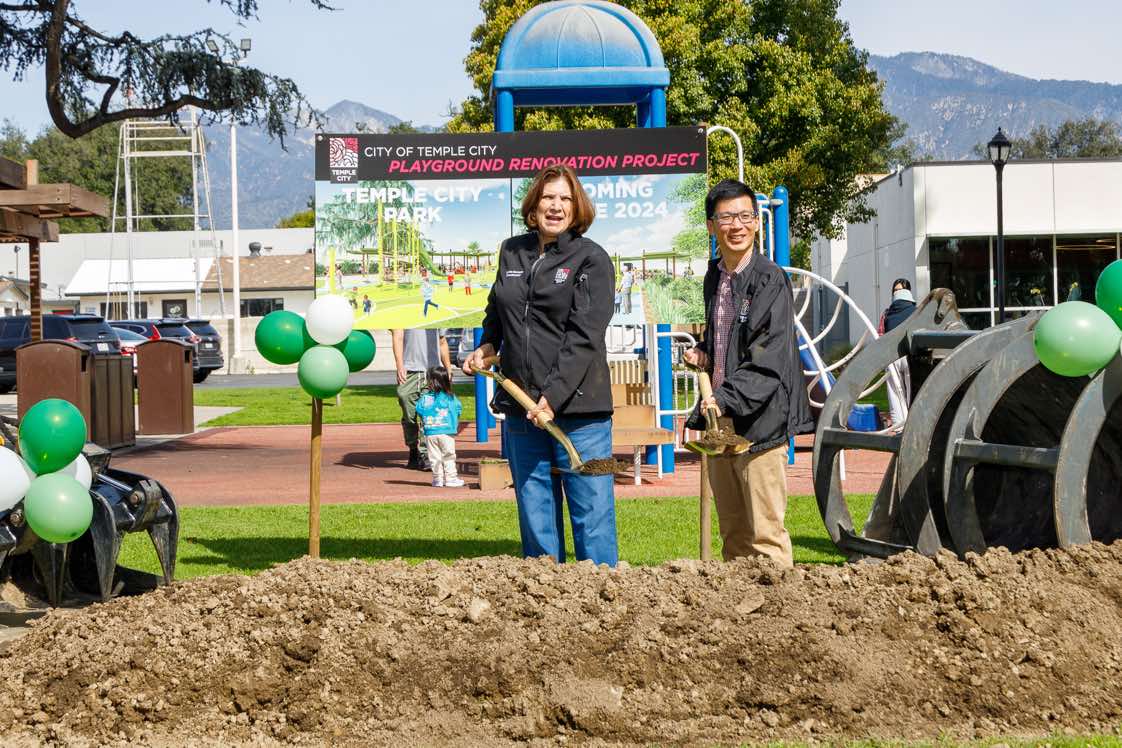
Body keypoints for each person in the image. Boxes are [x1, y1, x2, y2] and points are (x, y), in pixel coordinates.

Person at [463, 164, 617, 566]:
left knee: (593, 517)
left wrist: (552, 397)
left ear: (577, 208)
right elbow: (497, 309)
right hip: (521, 408)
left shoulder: (592, 259)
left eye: (565, 198)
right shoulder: (511, 251)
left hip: (581, 412)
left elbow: (584, 336)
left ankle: (603, 595)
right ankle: (545, 598)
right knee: (536, 518)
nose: (556, 206)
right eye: (548, 197)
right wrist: (488, 344)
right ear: (533, 206)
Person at [683, 179, 815, 569]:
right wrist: (704, 353)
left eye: (744, 216)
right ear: (711, 226)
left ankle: (780, 605)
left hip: (760, 424)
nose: (736, 225)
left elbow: (767, 359)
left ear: (757, 222)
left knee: (765, 537)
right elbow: (729, 340)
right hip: (722, 422)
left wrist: (722, 398)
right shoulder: (714, 277)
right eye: (726, 217)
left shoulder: (770, 279)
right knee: (734, 535)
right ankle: (737, 607)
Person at [393, 328, 452, 471]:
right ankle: (413, 448)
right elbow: (398, 337)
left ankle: (426, 455)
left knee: (429, 414)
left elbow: (442, 342)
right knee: (408, 412)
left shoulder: (436, 317)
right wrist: (400, 365)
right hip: (409, 371)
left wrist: (448, 368)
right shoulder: (403, 316)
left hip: (432, 372)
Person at [415, 365, 464, 487]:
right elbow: (458, 409)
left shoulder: (425, 398)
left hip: (430, 432)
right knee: (449, 455)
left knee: (434, 457)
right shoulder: (450, 397)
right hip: (446, 432)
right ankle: (451, 478)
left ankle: (438, 479)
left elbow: (419, 409)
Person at [879, 278, 916, 431]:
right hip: (908, 355)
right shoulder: (916, 311)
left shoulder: (887, 313)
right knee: (911, 390)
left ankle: (899, 425)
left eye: (899, 290)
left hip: (893, 356)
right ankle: (910, 425)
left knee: (895, 392)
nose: (897, 293)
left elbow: (881, 335)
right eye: (895, 290)